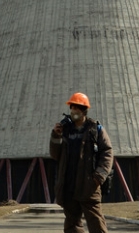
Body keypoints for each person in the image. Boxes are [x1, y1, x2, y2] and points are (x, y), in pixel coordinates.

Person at [50, 92, 113, 233]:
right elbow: (55, 155)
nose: (73, 111)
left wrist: (98, 177)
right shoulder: (65, 130)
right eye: (72, 107)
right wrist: (56, 135)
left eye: (77, 107)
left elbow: (107, 153)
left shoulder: (95, 130)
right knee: (72, 225)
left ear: (84, 110)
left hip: (89, 185)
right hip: (69, 185)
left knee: (96, 222)